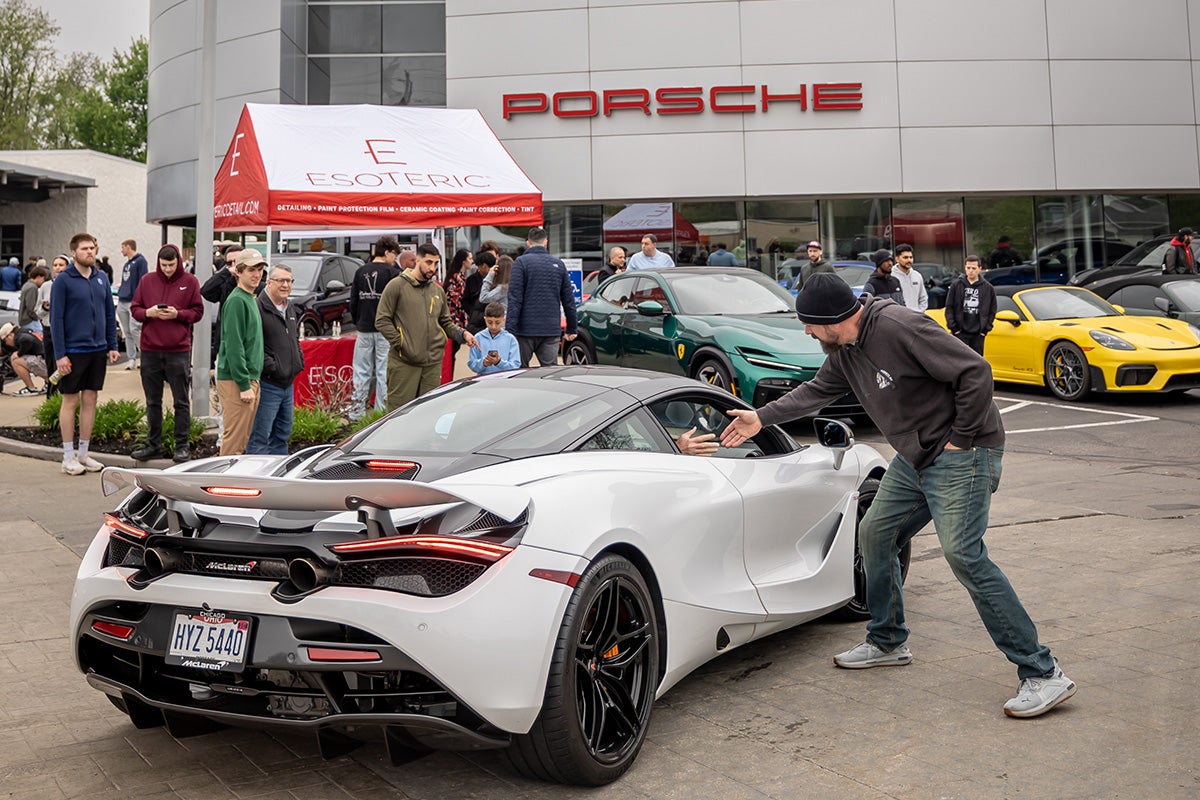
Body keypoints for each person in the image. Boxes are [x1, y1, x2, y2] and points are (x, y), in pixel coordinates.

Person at [720, 272, 1075, 719]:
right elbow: (816, 391)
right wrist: (761, 417)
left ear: (832, 318)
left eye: (809, 324)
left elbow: (975, 372)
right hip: (916, 456)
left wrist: (961, 438)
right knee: (874, 533)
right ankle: (887, 641)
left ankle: (1043, 673)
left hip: (964, 452)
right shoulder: (844, 350)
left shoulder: (899, 327)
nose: (807, 332)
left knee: (964, 554)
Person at [375, 243, 478, 409]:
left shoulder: (437, 291)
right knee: (399, 414)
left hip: (432, 363)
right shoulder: (397, 286)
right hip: (404, 362)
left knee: (428, 413)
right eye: (429, 262)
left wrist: (463, 334)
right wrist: (401, 344)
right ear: (417, 260)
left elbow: (445, 322)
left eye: (436, 263)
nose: (433, 268)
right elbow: (382, 320)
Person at [51, 232, 120, 476]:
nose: (90, 252)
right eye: (84, 249)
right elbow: (56, 319)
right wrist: (60, 355)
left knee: (91, 399)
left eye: (92, 248)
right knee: (71, 401)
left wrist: (113, 345)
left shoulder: (101, 278)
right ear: (73, 253)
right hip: (73, 351)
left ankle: (83, 453)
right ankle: (68, 456)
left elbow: (109, 314)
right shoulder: (63, 280)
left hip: (98, 349)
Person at [129, 244, 204, 463]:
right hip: (151, 349)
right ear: (158, 263)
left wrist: (177, 314)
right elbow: (135, 309)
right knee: (153, 401)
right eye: (164, 265)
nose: (168, 269)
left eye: (171, 265)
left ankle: (181, 447)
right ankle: (154, 445)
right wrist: (149, 312)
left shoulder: (190, 282)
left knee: (181, 401)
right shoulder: (147, 280)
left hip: (178, 350)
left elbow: (197, 312)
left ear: (178, 262)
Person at [248, 264, 304, 455]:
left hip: (287, 384)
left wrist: (298, 361)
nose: (286, 285)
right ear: (269, 282)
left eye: (289, 281)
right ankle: (255, 477)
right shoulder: (257, 308)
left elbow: (294, 338)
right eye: (281, 280)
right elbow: (253, 347)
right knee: (260, 436)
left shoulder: (289, 307)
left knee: (282, 434)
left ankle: (278, 477)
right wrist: (273, 367)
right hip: (268, 384)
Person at [215, 248, 266, 456]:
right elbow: (233, 345)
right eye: (251, 270)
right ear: (239, 272)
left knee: (241, 443)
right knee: (233, 444)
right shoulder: (237, 300)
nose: (257, 274)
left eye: (260, 269)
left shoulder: (249, 298)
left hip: (249, 380)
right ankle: (222, 486)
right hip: (237, 382)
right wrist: (244, 384)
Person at [505, 227, 577, 367]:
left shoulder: (521, 262)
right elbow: (569, 300)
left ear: (528, 243)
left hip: (524, 329)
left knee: (518, 370)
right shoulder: (559, 265)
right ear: (546, 243)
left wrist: (510, 331)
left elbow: (515, 298)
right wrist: (572, 328)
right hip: (550, 329)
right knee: (550, 372)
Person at [348, 236, 401, 420]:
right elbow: (397, 303)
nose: (395, 259)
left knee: (361, 372)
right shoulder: (392, 274)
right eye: (394, 254)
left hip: (364, 328)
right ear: (386, 252)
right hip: (385, 330)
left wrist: (358, 321)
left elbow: (353, 301)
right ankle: (380, 416)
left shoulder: (360, 271)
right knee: (382, 372)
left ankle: (356, 413)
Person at [944, 255, 997, 356]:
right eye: (968, 268)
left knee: (977, 362)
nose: (971, 271)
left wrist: (985, 330)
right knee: (959, 361)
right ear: (965, 268)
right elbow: (949, 307)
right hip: (960, 332)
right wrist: (954, 328)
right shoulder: (956, 285)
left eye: (974, 268)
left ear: (980, 269)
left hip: (978, 333)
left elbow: (992, 310)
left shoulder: (988, 288)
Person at [116, 239, 149, 370]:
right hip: (122, 300)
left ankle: (146, 355)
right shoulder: (127, 264)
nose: (121, 250)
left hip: (133, 301)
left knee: (135, 328)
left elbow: (143, 281)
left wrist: (139, 299)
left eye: (123, 247)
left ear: (129, 247)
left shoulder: (140, 261)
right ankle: (131, 358)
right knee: (127, 331)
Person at [40, 255, 68, 396]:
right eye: (55, 265)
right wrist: (45, 308)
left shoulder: (70, 284)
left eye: (61, 265)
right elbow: (36, 310)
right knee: (51, 364)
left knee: (64, 365)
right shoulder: (46, 286)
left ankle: (64, 395)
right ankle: (51, 397)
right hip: (48, 329)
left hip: (65, 330)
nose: (58, 268)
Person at [467, 302, 521, 375]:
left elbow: (516, 366)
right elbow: (472, 363)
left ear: (504, 319)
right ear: (485, 319)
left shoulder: (511, 339)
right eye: (489, 322)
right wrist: (483, 363)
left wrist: (499, 362)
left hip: (504, 381)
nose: (493, 326)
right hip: (483, 381)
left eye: (497, 323)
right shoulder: (477, 338)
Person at [444, 249, 473, 366]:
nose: (472, 261)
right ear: (463, 261)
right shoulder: (457, 278)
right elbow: (455, 301)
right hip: (455, 319)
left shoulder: (459, 276)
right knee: (452, 351)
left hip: (457, 318)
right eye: (470, 258)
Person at [1, 322, 48, 395]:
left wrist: (19, 353)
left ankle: (31, 388)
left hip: (46, 365)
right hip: (50, 363)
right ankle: (49, 382)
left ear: (9, 335)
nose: (6, 343)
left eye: (5, 340)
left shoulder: (20, 337)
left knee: (15, 361)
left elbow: (27, 340)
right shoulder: (25, 331)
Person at [464, 250, 497, 333]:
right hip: (476, 321)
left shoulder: (498, 280)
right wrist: (472, 313)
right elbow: (465, 300)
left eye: (479, 267)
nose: (478, 269)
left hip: (493, 320)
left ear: (484, 266)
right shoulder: (471, 280)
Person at [892, 244, 928, 312]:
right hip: (898, 318)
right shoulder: (891, 276)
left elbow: (923, 299)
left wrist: (919, 313)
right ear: (897, 259)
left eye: (911, 257)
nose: (909, 260)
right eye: (905, 257)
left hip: (916, 318)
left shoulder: (917, 276)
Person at [18, 265, 48, 331]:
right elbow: (31, 308)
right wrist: (37, 318)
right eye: (43, 279)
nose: (43, 281)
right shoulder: (32, 287)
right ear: (38, 276)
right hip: (29, 320)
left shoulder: (26, 285)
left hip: (24, 320)